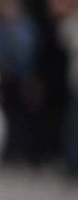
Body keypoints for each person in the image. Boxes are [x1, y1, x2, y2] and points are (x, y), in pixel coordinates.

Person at [0, 0, 42, 166]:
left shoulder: (25, 27)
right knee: (3, 115)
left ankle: (23, 153)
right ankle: (6, 152)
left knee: (23, 118)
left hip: (22, 78)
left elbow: (28, 52)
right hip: (2, 78)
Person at [57, 0, 78, 176]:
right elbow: (66, 40)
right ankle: (72, 164)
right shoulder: (71, 24)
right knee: (73, 126)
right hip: (75, 83)